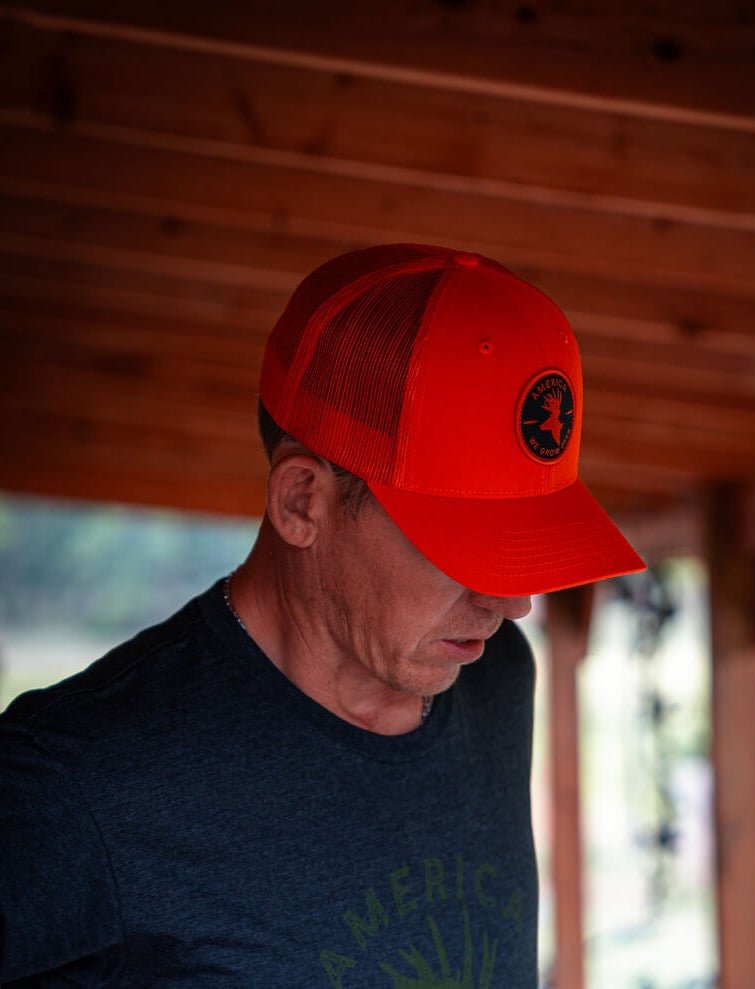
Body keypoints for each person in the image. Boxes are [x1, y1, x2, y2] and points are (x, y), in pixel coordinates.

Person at [0, 243, 644, 987]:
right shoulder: (70, 783)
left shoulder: (492, 675)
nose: (510, 604)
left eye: (522, 550)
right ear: (303, 501)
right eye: (463, 549)